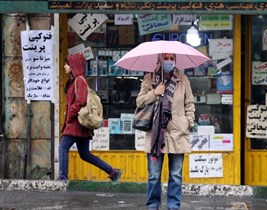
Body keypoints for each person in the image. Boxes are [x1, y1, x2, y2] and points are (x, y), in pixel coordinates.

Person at [136, 53, 195, 210]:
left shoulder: (183, 79)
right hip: (156, 134)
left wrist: (188, 122)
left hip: (177, 133)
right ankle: (152, 205)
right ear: (159, 60)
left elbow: (189, 103)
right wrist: (154, 92)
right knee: (154, 176)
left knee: (175, 175)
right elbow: (139, 101)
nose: (169, 61)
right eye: (166, 58)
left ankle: (173, 206)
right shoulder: (150, 78)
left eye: (172, 58)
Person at [58, 53, 122, 181]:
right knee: (85, 154)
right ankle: (112, 172)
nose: (65, 66)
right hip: (80, 124)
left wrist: (70, 114)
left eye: (67, 64)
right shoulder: (74, 80)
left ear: (74, 65)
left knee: (63, 147)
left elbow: (81, 101)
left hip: (76, 123)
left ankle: (63, 178)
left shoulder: (79, 80)